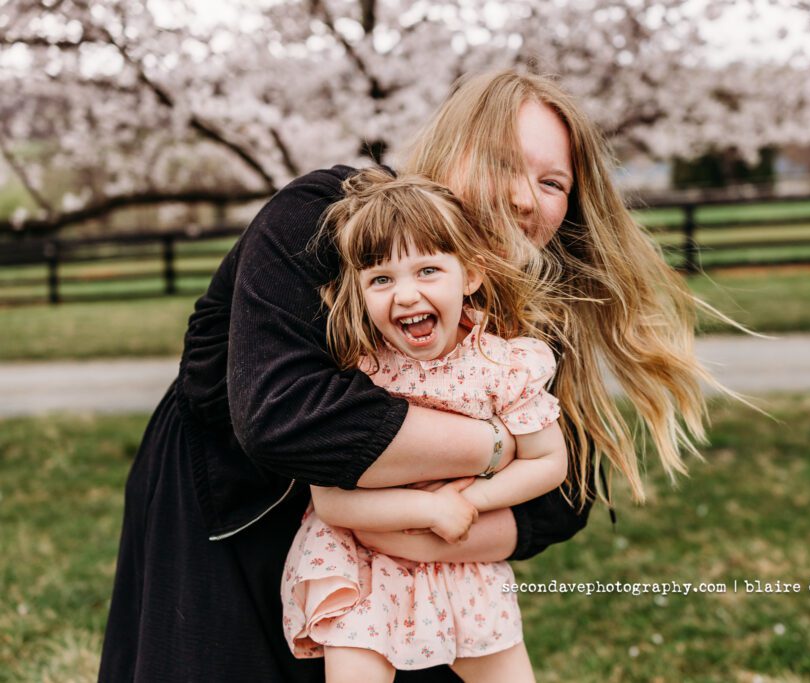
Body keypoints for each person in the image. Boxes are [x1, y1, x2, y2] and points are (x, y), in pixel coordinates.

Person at [98, 69, 717, 682]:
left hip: (408, 584)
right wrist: (499, 447)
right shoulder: (331, 216)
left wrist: (431, 533)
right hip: (230, 532)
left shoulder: (517, 311)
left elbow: (567, 487)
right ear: (450, 152)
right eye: (503, 163)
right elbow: (287, 420)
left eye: (552, 182)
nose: (525, 197)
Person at [282, 168, 570, 682]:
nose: (407, 295)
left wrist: (468, 505)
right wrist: (429, 507)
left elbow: (549, 461)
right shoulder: (358, 374)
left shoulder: (502, 367)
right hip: (362, 567)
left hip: (464, 559)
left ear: (472, 275)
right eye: (381, 279)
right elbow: (330, 500)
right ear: (359, 292)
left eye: (428, 271)